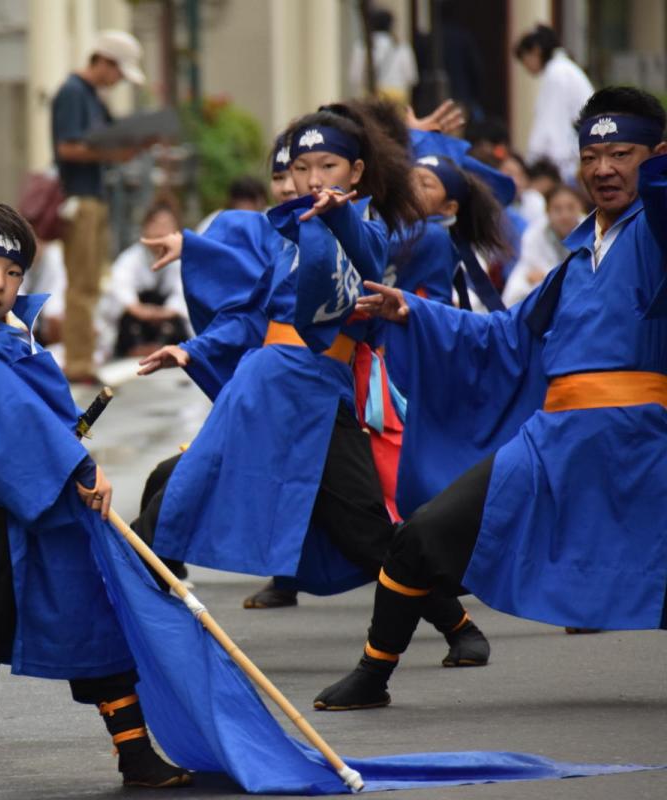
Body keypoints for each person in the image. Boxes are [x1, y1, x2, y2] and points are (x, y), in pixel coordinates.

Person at [313, 86, 667, 712]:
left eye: (623, 153)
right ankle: (373, 672)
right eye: (592, 155)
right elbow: (506, 335)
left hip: (642, 441)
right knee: (422, 533)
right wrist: (412, 310)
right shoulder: (580, 254)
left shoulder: (658, 229)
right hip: (555, 436)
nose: (604, 169)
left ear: (657, 155)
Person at [134, 104, 487, 669]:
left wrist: (336, 219)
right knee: (181, 486)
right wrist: (190, 349)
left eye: (327, 165)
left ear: (356, 171)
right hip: (262, 388)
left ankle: (459, 624)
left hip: (322, 395)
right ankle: (135, 611)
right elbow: (250, 313)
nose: (312, 178)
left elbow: (368, 257)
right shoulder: (287, 232)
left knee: (365, 531)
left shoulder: (367, 227)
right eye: (302, 167)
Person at [0, 202, 189, 796]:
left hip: (53, 499)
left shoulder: (16, 337)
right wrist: (79, 465)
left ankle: (136, 756)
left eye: (13, 273)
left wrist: (72, 463)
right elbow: (9, 426)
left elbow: (42, 420)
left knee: (92, 618)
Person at [51, 30, 148, 383]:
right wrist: (114, 152)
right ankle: (78, 363)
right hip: (79, 198)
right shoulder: (73, 92)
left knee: (91, 281)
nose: (118, 80)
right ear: (104, 61)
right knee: (81, 283)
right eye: (118, 72)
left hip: (94, 196)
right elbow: (68, 148)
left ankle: (84, 358)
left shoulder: (91, 95)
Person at [100, 200, 191, 360]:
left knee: (175, 323)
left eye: (167, 225)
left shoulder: (183, 262)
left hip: (167, 325)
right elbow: (123, 296)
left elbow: (182, 299)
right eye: (156, 224)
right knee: (129, 321)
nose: (161, 231)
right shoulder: (129, 259)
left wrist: (162, 313)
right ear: (145, 228)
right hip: (137, 325)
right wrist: (144, 312)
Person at [515, 24, 594, 183]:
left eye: (525, 59)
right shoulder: (564, 70)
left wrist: (532, 163)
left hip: (568, 162)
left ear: (536, 50)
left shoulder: (557, 74)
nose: (526, 67)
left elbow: (551, 125)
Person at [502, 183, 590, 306]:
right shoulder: (534, 234)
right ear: (547, 211)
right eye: (557, 209)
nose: (564, 215)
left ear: (581, 208)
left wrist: (546, 275)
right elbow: (531, 271)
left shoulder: (593, 232)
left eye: (571, 208)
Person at [349, 8, 418, 105]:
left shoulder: (362, 46)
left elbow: (355, 76)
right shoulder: (401, 47)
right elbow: (411, 77)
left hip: (370, 96)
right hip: (396, 95)